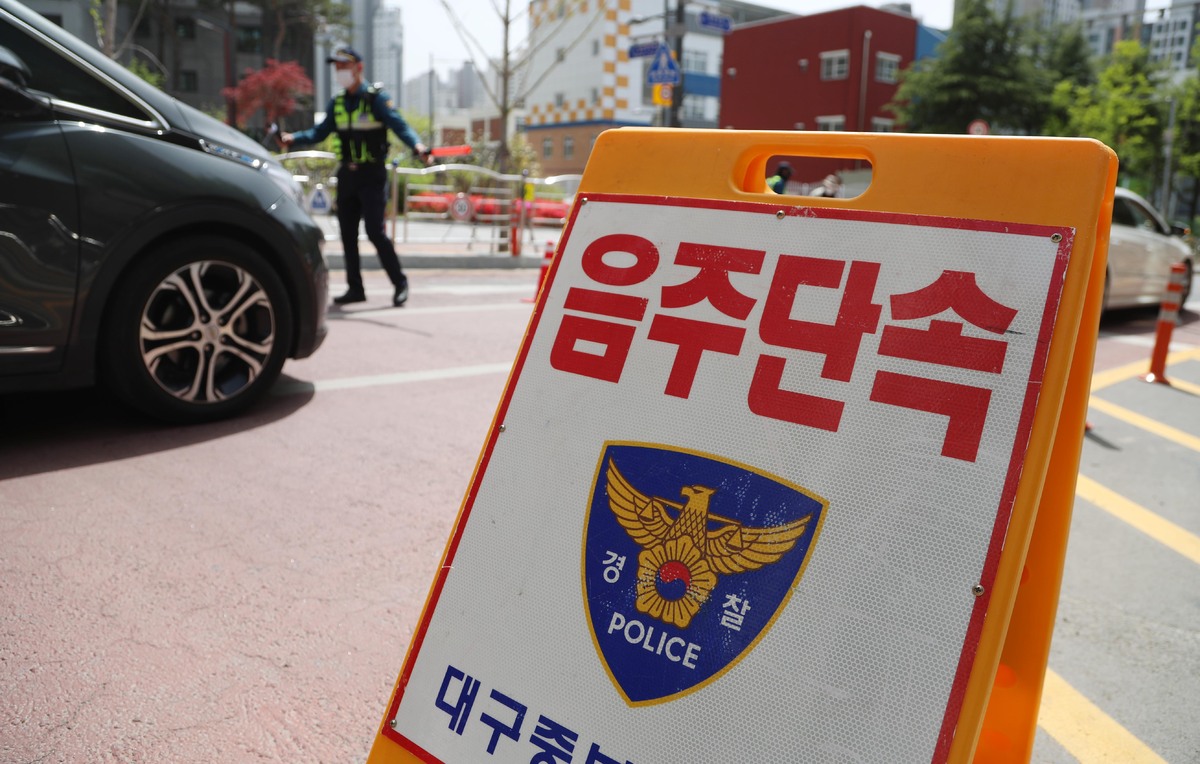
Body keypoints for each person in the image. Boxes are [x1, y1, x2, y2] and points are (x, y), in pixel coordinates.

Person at [280, 46, 430, 307]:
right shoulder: (338, 102)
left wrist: (417, 146)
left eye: (344, 66)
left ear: (358, 68)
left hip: (372, 174)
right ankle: (355, 288)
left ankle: (400, 282)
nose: (340, 71)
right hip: (347, 176)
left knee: (374, 231)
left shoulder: (376, 99)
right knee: (347, 234)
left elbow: (399, 125)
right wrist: (293, 139)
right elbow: (319, 132)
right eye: (337, 67)